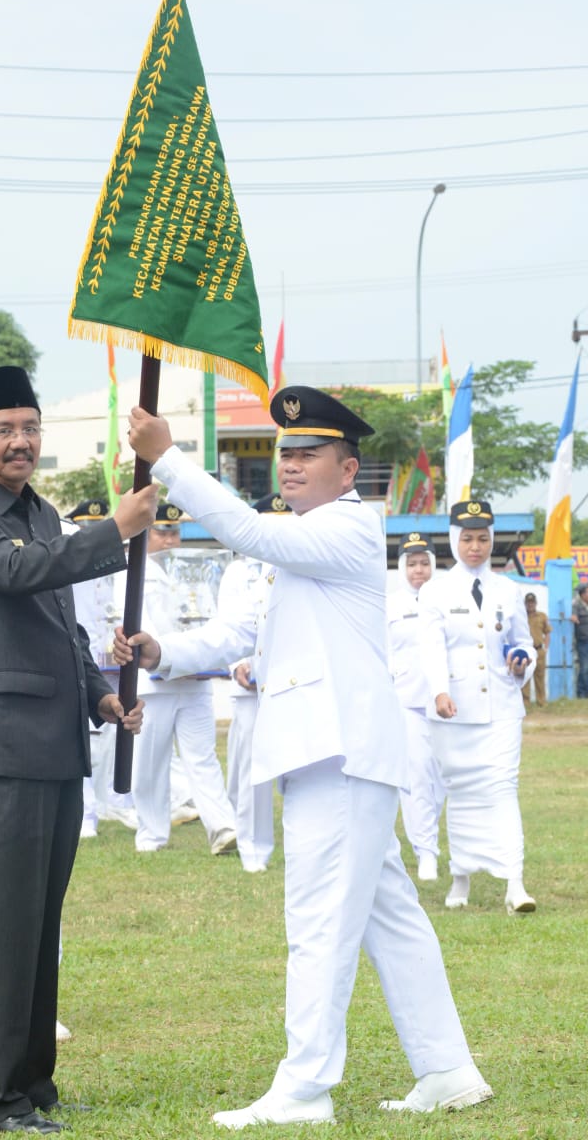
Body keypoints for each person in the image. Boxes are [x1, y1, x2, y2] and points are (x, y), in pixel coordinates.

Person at [119, 387, 493, 1126]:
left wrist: (167, 460)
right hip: (327, 751)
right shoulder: (294, 544)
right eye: (284, 454)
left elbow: (247, 532)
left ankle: (305, 1085)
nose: (289, 466)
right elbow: (237, 637)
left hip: (340, 751)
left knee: (318, 923)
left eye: (307, 455)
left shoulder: (348, 528)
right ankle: (446, 1069)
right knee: (390, 920)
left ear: (347, 470)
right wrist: (164, 652)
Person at [0, 365, 156, 1135]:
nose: (21, 441)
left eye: (30, 428)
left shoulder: (43, 511)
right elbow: (23, 575)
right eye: (4, 430)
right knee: (0, 930)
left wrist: (98, 693)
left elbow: (64, 628)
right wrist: (115, 531)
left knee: (38, 923)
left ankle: (33, 1085)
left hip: (52, 746)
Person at [418, 501, 537, 915]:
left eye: (483, 539)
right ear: (454, 539)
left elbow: (524, 641)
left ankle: (515, 883)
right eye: (467, 538)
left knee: (504, 787)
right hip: (452, 708)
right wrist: (438, 691)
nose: (475, 547)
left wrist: (523, 659)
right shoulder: (434, 591)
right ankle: (460, 876)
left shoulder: (509, 589)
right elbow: (431, 649)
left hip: (502, 705)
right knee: (462, 791)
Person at [122, 501, 238, 856]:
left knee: (201, 757)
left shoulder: (194, 568)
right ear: (146, 533)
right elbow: (136, 624)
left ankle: (222, 827)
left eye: (175, 532)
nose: (171, 540)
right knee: (149, 763)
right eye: (163, 532)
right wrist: (168, 654)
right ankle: (151, 834)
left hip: (194, 678)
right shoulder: (132, 570)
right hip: (154, 683)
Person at [214, 493, 288, 874]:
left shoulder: (297, 563)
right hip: (248, 684)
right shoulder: (238, 572)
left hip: (289, 680)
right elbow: (229, 625)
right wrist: (238, 665)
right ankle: (253, 846)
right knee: (250, 767)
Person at [64, 499, 136, 839]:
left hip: (109, 661)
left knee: (108, 739)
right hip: (78, 659)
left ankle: (111, 802)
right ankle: (86, 813)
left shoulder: (112, 566)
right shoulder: (70, 563)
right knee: (84, 742)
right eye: (87, 527)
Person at [387, 532, 444, 882]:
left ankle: (427, 835)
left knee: (442, 779)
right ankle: (426, 852)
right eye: (412, 564)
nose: (418, 571)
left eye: (424, 563)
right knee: (417, 775)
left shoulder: (446, 600)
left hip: (446, 701)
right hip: (405, 700)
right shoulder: (390, 604)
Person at [521, 591, 551, 707]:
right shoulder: (522, 617)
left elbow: (547, 632)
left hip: (538, 650)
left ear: (536, 603)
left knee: (540, 677)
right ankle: (525, 702)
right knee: (525, 677)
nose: (530, 605)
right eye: (528, 603)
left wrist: (546, 648)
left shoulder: (542, 616)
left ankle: (541, 701)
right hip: (526, 650)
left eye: (532, 602)